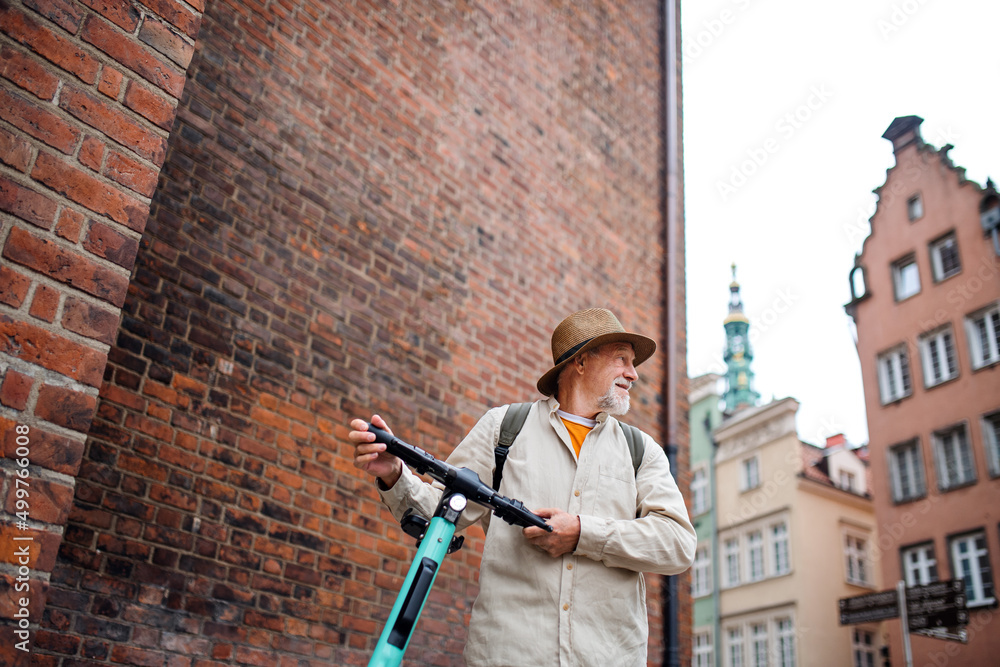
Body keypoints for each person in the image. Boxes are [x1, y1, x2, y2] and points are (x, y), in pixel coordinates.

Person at [349, 307, 696, 667]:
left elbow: (678, 544)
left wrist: (582, 533)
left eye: (633, 363)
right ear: (580, 362)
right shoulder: (504, 429)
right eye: (622, 359)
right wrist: (395, 473)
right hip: (509, 655)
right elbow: (441, 511)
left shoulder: (640, 451)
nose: (633, 373)